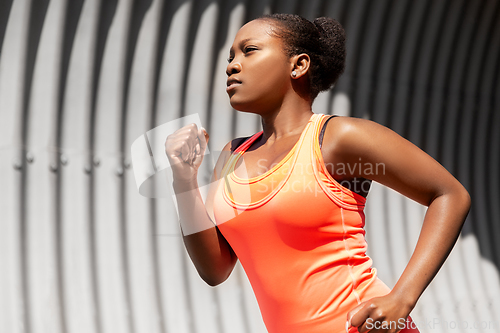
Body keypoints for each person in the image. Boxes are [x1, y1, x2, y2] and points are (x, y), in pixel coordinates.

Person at [165, 13, 471, 333]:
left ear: (298, 65)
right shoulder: (231, 156)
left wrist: (403, 298)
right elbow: (215, 270)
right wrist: (183, 180)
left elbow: (449, 194)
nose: (231, 65)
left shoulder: (338, 138)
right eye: (230, 56)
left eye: (249, 50)